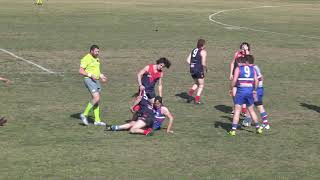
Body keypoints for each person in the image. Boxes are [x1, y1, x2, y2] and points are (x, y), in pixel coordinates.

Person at [229, 55, 263, 136]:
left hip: (241, 91)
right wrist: (254, 90)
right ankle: (258, 128)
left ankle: (233, 130)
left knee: (237, 111)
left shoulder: (238, 69)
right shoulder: (253, 69)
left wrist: (231, 88)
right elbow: (256, 80)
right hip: (249, 91)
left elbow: (234, 80)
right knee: (251, 110)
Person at [79, 45, 107, 126]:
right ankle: (84, 114)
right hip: (89, 80)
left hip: (96, 80)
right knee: (96, 98)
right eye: (96, 51)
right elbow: (80, 71)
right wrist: (90, 75)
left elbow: (96, 70)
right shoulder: (86, 58)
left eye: (98, 51)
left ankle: (97, 120)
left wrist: (101, 76)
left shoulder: (96, 58)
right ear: (91, 51)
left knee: (97, 100)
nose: (97, 53)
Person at [242, 56, 270, 130]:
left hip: (255, 90)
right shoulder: (256, 67)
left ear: (247, 62)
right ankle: (265, 123)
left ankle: (248, 120)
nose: (244, 63)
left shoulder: (251, 69)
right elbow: (261, 77)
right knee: (259, 105)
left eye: (245, 62)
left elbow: (256, 79)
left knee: (251, 105)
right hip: (260, 89)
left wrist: (253, 89)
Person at [229, 42, 250, 115]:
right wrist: (231, 73)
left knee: (243, 93)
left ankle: (243, 110)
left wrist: (246, 51)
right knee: (234, 94)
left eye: (245, 46)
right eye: (242, 46)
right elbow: (232, 63)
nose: (243, 47)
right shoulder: (237, 53)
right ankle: (235, 108)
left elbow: (249, 61)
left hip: (243, 77)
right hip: (236, 75)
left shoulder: (248, 55)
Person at [186, 39, 207, 104]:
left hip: (192, 70)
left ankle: (190, 94)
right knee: (201, 85)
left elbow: (187, 60)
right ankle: (197, 100)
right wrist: (205, 68)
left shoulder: (193, 50)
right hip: (198, 70)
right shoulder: (203, 52)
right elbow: (203, 63)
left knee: (196, 83)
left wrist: (193, 65)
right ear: (203, 45)